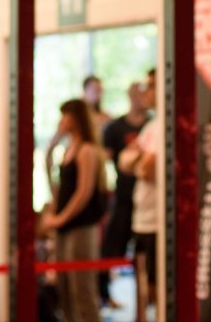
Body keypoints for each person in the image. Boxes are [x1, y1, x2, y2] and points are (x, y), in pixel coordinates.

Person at [43, 98, 107, 322]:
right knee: (65, 290)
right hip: (66, 227)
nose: (62, 120)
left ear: (75, 118)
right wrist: (51, 148)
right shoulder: (68, 148)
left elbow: (84, 192)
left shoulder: (86, 150)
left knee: (82, 291)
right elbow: (58, 187)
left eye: (65, 115)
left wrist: (61, 219)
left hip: (81, 227)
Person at [99, 80, 151, 309]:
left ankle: (144, 302)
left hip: (147, 202)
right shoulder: (115, 128)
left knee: (145, 256)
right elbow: (113, 162)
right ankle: (104, 294)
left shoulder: (152, 126)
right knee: (111, 249)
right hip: (123, 198)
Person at [119, 69, 160, 322]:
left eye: (151, 86)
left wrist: (137, 159)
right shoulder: (150, 126)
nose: (146, 92)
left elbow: (145, 168)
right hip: (142, 217)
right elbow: (124, 161)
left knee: (156, 289)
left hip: (157, 221)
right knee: (143, 289)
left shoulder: (161, 126)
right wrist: (138, 159)